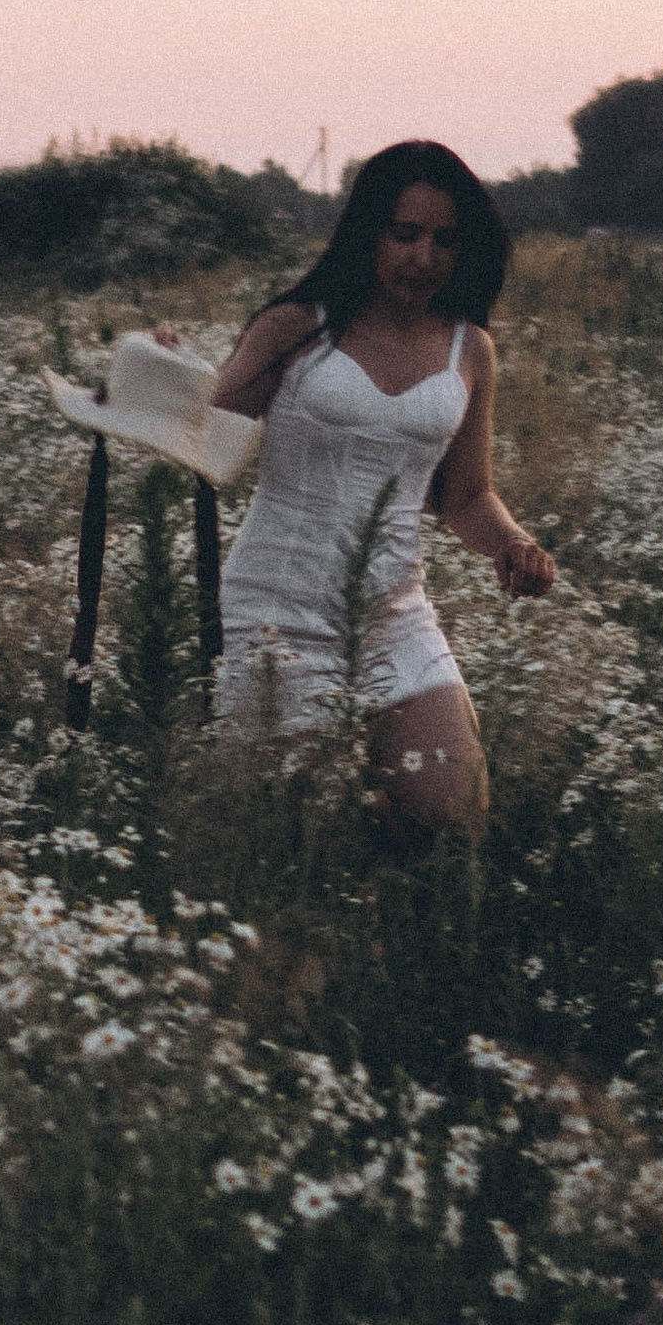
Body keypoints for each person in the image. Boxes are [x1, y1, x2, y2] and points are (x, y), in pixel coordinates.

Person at [188, 141, 555, 831]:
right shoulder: (296, 328)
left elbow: (466, 496)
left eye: (445, 240)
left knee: (452, 821)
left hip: (394, 614)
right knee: (305, 830)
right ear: (368, 232)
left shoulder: (468, 349)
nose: (423, 258)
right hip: (276, 610)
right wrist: (161, 367)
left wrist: (513, 544)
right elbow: (204, 435)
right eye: (405, 233)